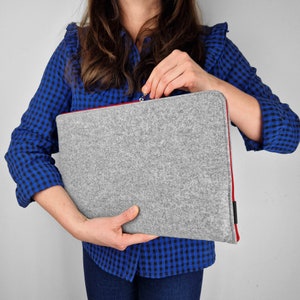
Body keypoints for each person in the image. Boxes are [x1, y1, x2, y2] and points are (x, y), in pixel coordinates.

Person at [5, 0, 300, 299]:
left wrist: (209, 84)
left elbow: (288, 133)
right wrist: (79, 226)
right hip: (102, 257)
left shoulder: (212, 49)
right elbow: (26, 147)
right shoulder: (76, 50)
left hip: (180, 257)